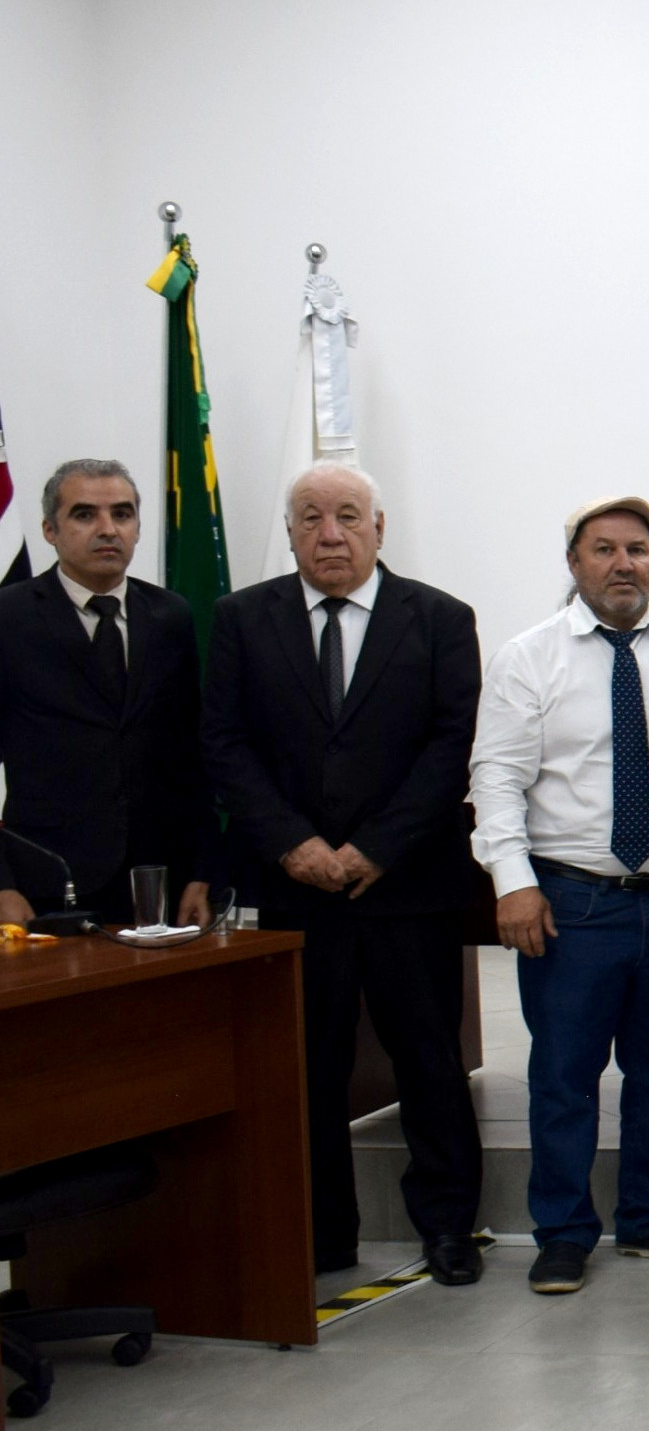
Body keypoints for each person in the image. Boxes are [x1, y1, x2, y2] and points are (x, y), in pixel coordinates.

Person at [202, 463, 484, 1280]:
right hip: (294, 892)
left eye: (349, 517)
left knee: (428, 1062)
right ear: (290, 532)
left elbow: (449, 746)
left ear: (379, 528)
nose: (331, 534)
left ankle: (447, 1229)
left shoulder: (437, 619)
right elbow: (224, 744)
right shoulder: (242, 620)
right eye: (312, 518)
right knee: (307, 1069)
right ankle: (323, 1236)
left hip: (408, 888)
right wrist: (293, 844)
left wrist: (376, 848)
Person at [468, 497, 649, 1294]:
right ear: (575, 564)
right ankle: (564, 1233)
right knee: (565, 1075)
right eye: (605, 550)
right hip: (572, 902)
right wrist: (511, 885)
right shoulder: (529, 657)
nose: (624, 564)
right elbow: (498, 780)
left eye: (639, 550)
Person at [0, 457, 212, 931]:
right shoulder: (9, 618)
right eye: (84, 514)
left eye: (122, 514)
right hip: (46, 881)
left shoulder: (169, 616)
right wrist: (1, 884)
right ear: (49, 530)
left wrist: (202, 871)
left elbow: (189, 759)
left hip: (160, 883)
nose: (107, 529)